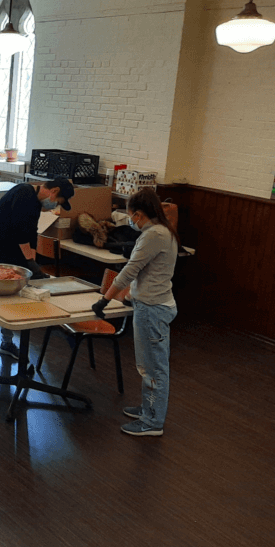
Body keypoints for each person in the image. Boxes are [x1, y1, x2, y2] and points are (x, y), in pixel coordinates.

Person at [92, 187, 179, 437]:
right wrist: (130, 295)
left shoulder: (154, 235)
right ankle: (148, 410)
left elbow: (130, 270)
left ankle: (152, 422)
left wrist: (104, 301)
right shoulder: (161, 231)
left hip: (153, 310)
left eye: (131, 215)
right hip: (152, 305)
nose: (130, 220)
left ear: (139, 214)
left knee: (153, 368)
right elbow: (145, 273)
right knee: (148, 365)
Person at [0, 177, 74, 367]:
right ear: (53, 191)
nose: (55, 205)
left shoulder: (34, 202)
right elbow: (21, 233)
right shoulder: (24, 195)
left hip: (14, 258)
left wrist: (34, 264)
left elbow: (31, 236)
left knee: (13, 302)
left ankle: (7, 343)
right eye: (58, 201)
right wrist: (30, 263)